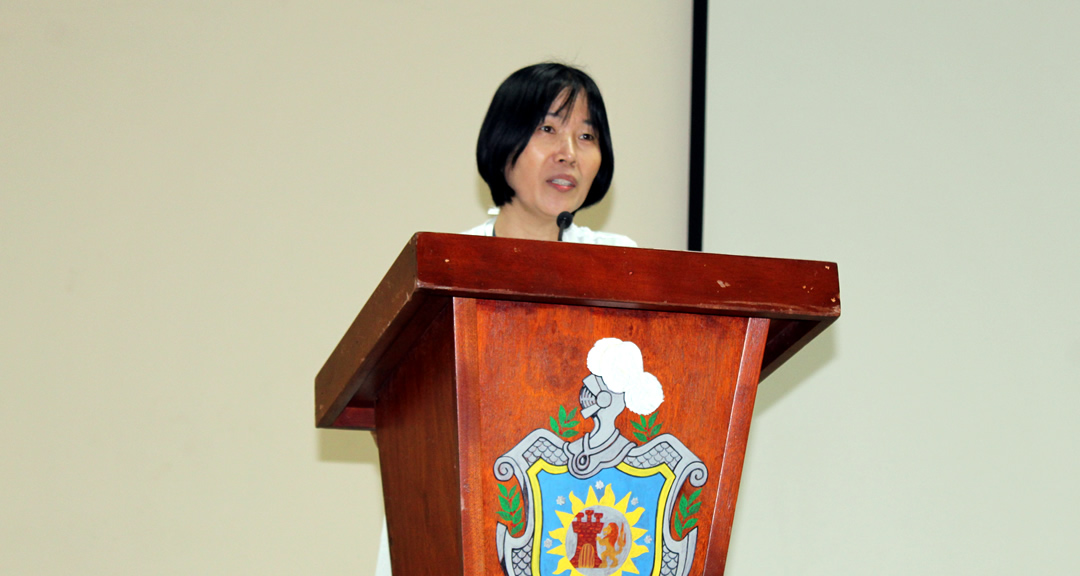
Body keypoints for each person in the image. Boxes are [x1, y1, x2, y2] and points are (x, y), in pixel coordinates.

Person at [463, 63, 636, 247]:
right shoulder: (448, 264)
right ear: (501, 140)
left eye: (586, 136)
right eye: (547, 129)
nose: (569, 155)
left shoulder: (619, 261)